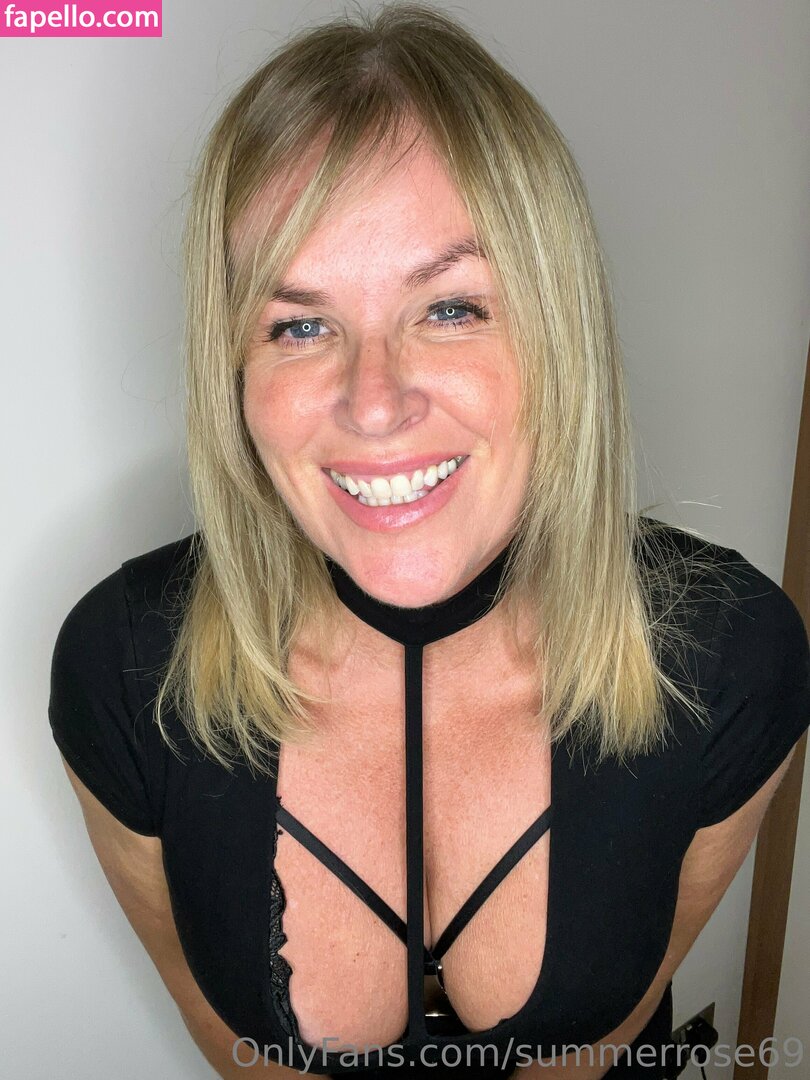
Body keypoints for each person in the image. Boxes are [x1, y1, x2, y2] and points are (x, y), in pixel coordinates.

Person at [47, 4, 810, 1079]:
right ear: (234, 375)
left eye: (450, 308)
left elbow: (606, 1033)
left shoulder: (732, 653)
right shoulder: (123, 668)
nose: (374, 401)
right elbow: (235, 1044)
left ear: (558, 333)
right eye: (299, 325)